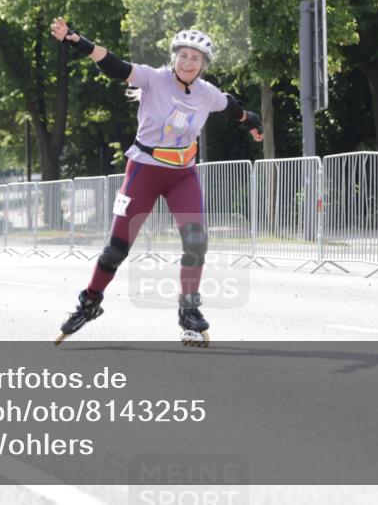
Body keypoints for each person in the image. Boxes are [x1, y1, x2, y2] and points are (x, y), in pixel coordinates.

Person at [50, 17, 263, 346]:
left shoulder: (206, 94)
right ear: (174, 57)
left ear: (203, 65)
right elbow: (116, 66)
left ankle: (189, 311)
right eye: (183, 55)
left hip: (183, 175)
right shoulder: (154, 79)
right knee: (116, 249)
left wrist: (250, 121)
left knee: (196, 242)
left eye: (195, 58)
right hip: (144, 170)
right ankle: (89, 302)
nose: (188, 62)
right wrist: (79, 41)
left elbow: (232, 107)